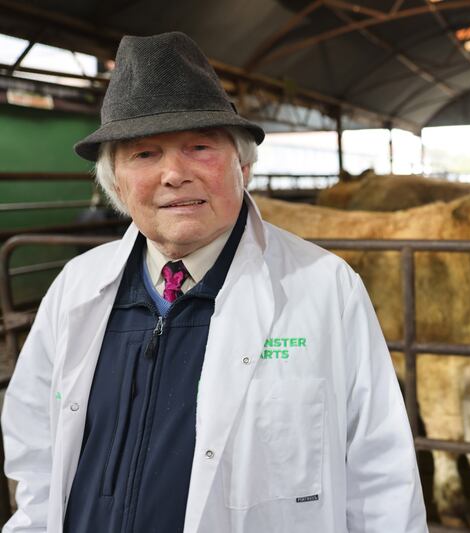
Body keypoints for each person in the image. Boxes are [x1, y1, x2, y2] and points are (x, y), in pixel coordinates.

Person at [2, 32, 426, 533]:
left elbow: (381, 478)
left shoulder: (325, 288)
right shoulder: (77, 287)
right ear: (115, 181)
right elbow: (35, 451)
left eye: (199, 147)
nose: (174, 174)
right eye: (144, 154)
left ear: (242, 165)